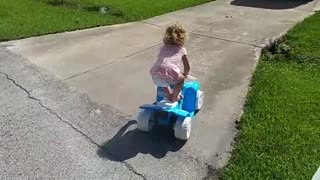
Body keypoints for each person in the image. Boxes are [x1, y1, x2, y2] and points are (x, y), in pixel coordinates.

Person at [150, 23, 190, 102]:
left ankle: (169, 94)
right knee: (181, 80)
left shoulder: (162, 48)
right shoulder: (182, 49)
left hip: (154, 72)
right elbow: (187, 66)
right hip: (170, 72)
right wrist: (185, 74)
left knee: (163, 79)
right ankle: (174, 97)